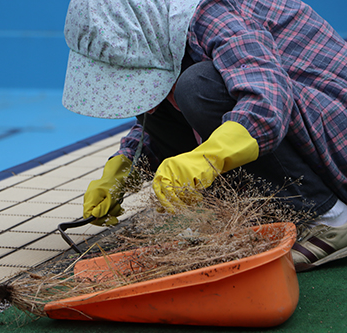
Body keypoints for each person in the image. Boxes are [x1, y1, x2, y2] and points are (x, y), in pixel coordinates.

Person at [61, 0, 347, 272]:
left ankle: (331, 217)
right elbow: (159, 112)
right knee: (166, 100)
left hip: (334, 128)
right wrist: (124, 170)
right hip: (301, 122)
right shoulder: (162, 32)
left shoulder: (211, 12)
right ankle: (276, 213)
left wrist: (207, 158)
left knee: (197, 87)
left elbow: (267, 102)